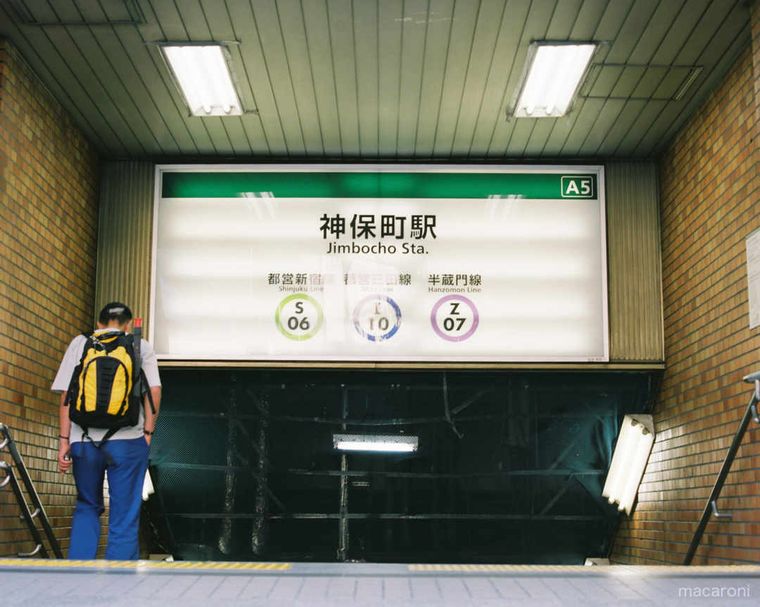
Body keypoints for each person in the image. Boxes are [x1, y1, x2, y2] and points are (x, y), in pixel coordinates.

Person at [51, 302, 162, 560]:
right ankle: (119, 583)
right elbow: (154, 391)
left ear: (99, 324)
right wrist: (147, 432)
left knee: (87, 505)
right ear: (127, 324)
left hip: (84, 440)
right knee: (124, 512)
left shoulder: (80, 343)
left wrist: (64, 441)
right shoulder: (139, 345)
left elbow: (67, 396)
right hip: (128, 440)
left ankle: (78, 574)